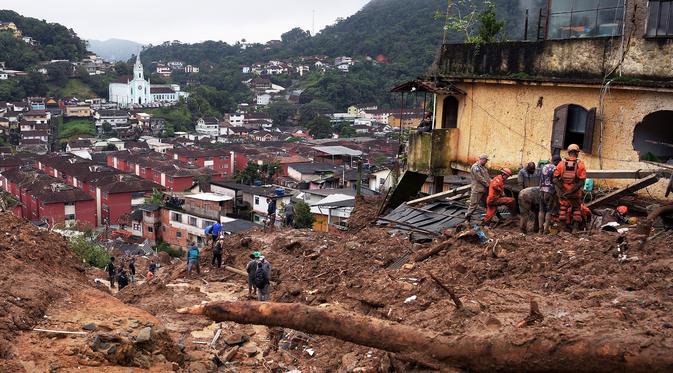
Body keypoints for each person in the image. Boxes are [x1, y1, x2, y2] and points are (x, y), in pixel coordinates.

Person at [553, 144, 587, 233]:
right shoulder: (581, 165)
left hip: (564, 194)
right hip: (575, 194)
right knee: (576, 210)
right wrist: (571, 191)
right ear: (577, 153)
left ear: (568, 152)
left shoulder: (561, 164)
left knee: (563, 210)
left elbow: (555, 179)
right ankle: (575, 230)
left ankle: (563, 231)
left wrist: (564, 190)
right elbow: (581, 181)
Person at [539, 155, 562, 234]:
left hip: (542, 191)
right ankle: (545, 231)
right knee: (549, 211)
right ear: (557, 161)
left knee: (541, 211)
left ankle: (540, 230)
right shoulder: (555, 169)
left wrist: (540, 189)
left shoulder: (544, 167)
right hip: (550, 192)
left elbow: (540, 180)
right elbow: (555, 182)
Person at [466, 154, 492, 222]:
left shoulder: (483, 167)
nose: (486, 162)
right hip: (478, 189)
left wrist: (492, 182)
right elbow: (479, 178)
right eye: (486, 160)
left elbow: (487, 177)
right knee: (473, 204)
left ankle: (488, 218)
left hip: (484, 189)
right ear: (482, 159)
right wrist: (488, 185)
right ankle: (467, 218)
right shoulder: (475, 167)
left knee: (488, 203)